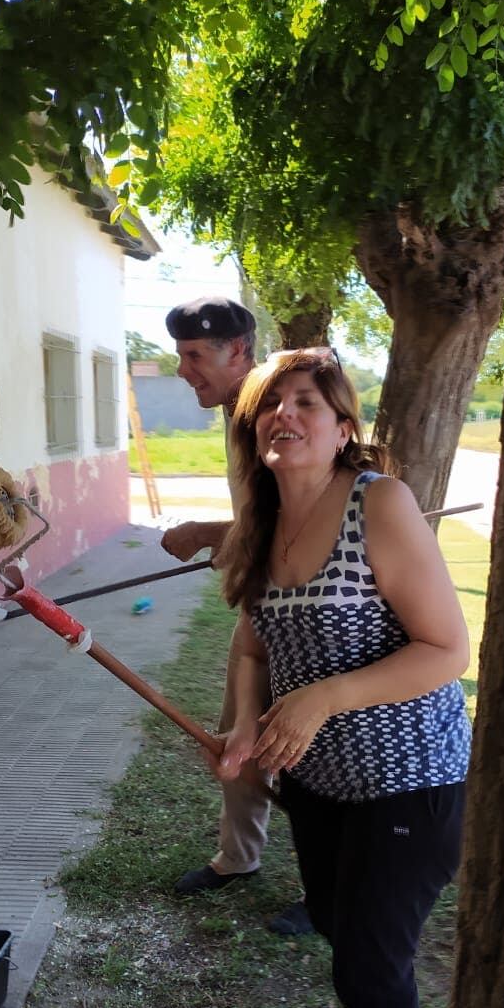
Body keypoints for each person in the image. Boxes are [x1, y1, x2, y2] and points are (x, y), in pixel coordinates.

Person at [214, 348, 471, 1008]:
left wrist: (325, 694)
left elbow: (447, 649)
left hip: (412, 779)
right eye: (268, 406)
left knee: (368, 960)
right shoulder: (259, 523)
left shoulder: (380, 504)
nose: (285, 416)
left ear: (343, 423)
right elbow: (254, 646)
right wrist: (249, 726)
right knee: (333, 921)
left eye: (305, 403)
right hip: (318, 783)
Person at [160, 297, 313, 936]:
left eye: (196, 355)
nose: (184, 370)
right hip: (264, 606)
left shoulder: (275, 413)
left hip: (310, 614)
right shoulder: (238, 412)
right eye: (181, 357)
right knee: (236, 739)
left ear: (239, 352)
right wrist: (231, 541)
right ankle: (238, 858)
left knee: (307, 751)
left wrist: (204, 531)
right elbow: (262, 528)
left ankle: (328, 887)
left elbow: (299, 523)